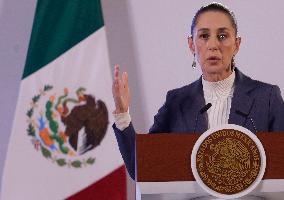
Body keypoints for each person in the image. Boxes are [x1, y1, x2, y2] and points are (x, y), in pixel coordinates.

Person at [112, 2, 284, 180]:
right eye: (204, 36)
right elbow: (142, 167)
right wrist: (122, 113)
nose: (213, 45)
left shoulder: (266, 98)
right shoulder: (176, 102)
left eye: (223, 36)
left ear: (237, 44)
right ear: (191, 45)